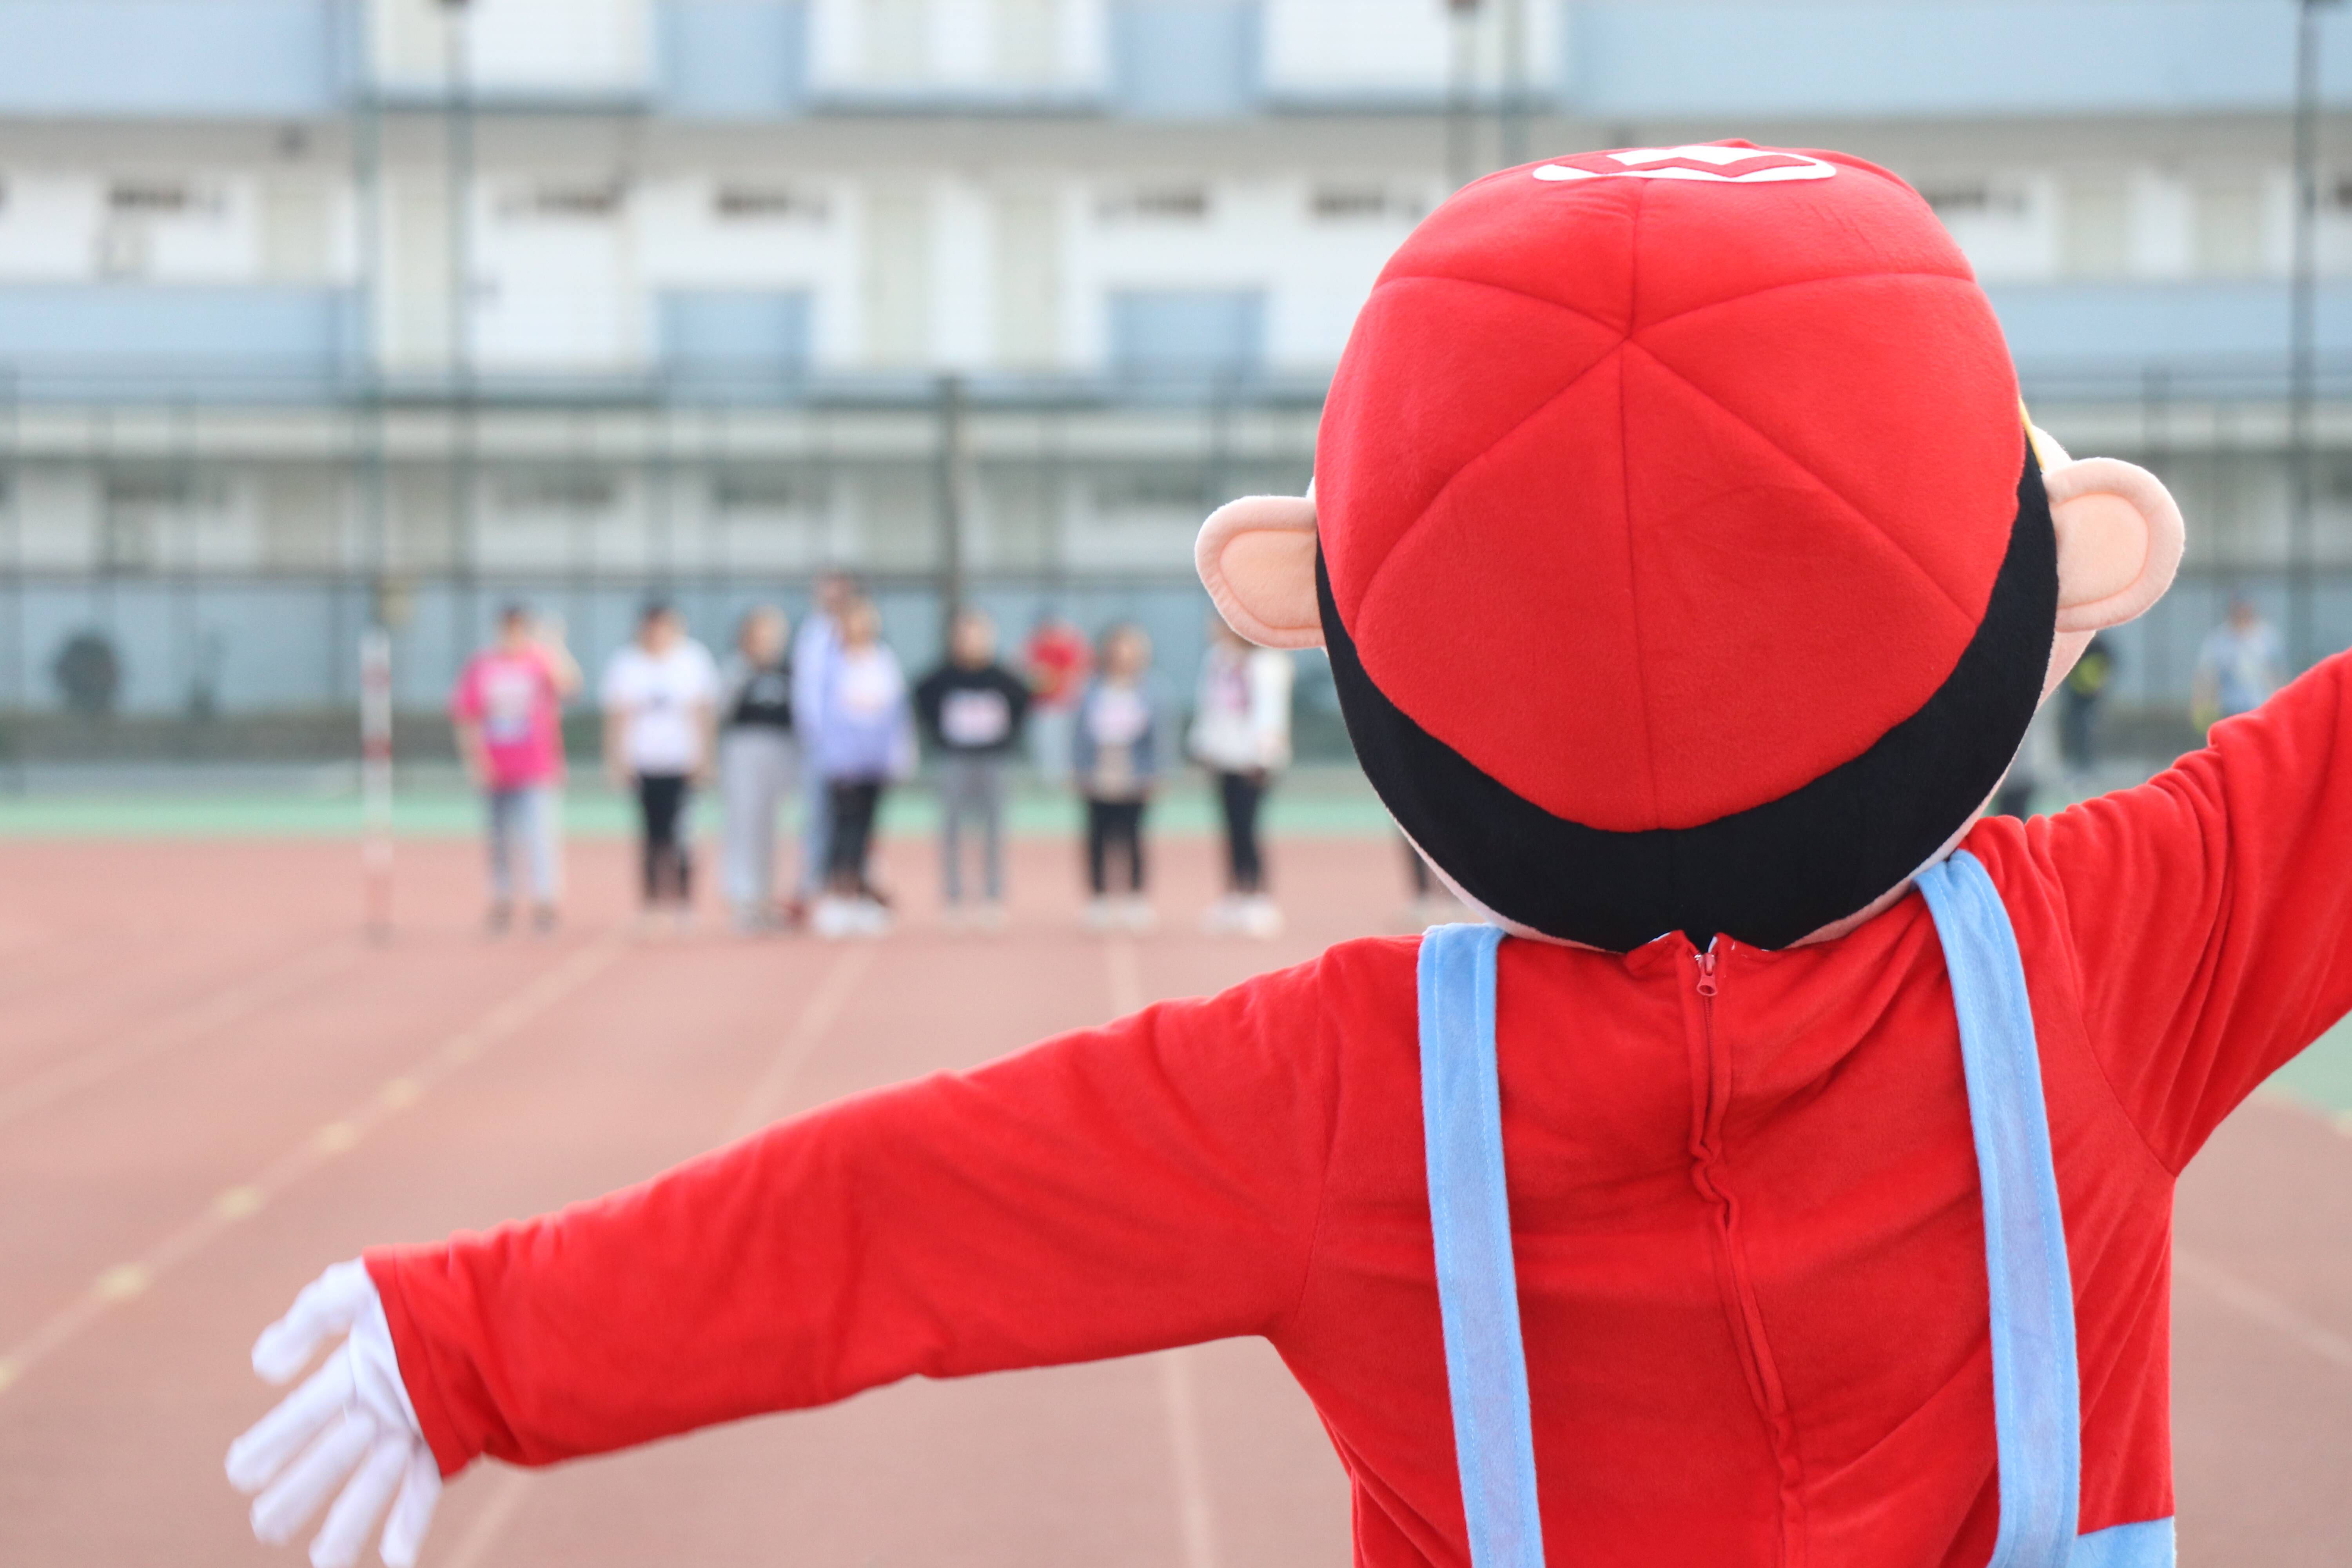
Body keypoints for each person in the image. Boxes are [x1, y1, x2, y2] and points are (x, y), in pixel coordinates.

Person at [238, 145, 2345, 1568]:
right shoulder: (2110, 956)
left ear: (1330, 615)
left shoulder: (1342, 1097)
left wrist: (480, 1339)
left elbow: (895, 1212)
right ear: (2057, 564)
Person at [447, 604, 579, 934]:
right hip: (497, 768)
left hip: (536, 767)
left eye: (519, 629)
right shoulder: (482, 666)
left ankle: (545, 902)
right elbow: (467, 717)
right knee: (499, 840)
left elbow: (570, 687)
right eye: (508, 628)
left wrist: (554, 646)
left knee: (540, 838)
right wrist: (477, 762)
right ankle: (502, 900)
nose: (512, 635)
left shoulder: (540, 662)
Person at [601, 603, 719, 931]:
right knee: (651, 837)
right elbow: (617, 716)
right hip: (644, 763)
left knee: (682, 835)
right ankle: (651, 904)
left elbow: (704, 713)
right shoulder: (627, 663)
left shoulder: (692, 660)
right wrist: (616, 761)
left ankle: (683, 902)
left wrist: (706, 759)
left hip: (681, 763)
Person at [914, 606, 1031, 929]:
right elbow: (921, 698)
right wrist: (940, 734)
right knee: (952, 829)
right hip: (955, 760)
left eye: (979, 635)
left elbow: (1024, 701)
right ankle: (953, 897)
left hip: (993, 760)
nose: (972, 642)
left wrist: (1006, 736)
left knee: (994, 829)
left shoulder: (1002, 678)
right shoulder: (942, 677)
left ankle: (992, 896)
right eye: (966, 636)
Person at [807, 597, 913, 939]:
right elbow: (820, 713)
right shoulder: (830, 663)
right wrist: (832, 753)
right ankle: (838, 896)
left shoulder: (883, 659)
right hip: (843, 761)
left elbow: (896, 711)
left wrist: (898, 755)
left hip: (875, 761)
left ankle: (863, 897)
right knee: (843, 830)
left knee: (867, 831)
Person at [1189, 614, 1294, 938]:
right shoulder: (1218, 660)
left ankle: (1258, 898)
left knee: (1249, 828)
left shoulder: (1267, 664)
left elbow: (1272, 712)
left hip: (1253, 761)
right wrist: (1203, 746)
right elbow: (1208, 706)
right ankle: (1233, 896)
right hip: (1224, 757)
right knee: (1230, 829)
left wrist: (1265, 757)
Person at [1070, 622, 1167, 933]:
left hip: (1134, 772)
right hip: (1100, 771)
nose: (1123, 654)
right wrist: (1079, 768)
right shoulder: (1091, 688)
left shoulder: (1151, 689)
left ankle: (1136, 898)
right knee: (1097, 837)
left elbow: (1161, 735)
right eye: (1118, 647)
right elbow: (1079, 732)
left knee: (1134, 837)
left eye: (1130, 647)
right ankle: (1099, 898)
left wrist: (1156, 772)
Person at [717, 606, 794, 933]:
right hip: (743, 749)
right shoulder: (736, 669)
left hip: (779, 750)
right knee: (744, 824)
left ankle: (766, 898)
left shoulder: (788, 671)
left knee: (770, 828)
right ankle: (743, 898)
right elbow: (719, 712)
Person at [790, 572, 857, 916]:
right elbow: (805, 687)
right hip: (817, 742)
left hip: (855, 743)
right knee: (817, 815)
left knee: (853, 816)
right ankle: (813, 884)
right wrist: (810, 730)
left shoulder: (860, 632)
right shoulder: (811, 632)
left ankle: (850, 885)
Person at [2192, 592, 2286, 735]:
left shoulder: (2267, 637)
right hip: (2230, 708)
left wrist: (2281, 705)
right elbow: (2208, 677)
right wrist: (2202, 705)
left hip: (2260, 706)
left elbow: (2277, 674)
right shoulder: (2219, 640)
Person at [1021, 613, 1091, 786]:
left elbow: (1076, 674)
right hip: (1043, 705)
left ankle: (1064, 778)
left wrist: (1057, 685)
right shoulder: (1037, 647)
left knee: (1063, 745)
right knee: (1044, 744)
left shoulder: (1066, 647)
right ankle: (1047, 779)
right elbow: (1028, 672)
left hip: (1064, 705)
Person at [2060, 630, 2115, 774]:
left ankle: (2087, 764)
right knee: (2076, 726)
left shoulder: (2099, 646)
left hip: (2091, 694)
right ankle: (2078, 763)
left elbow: (2109, 666)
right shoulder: (2080, 644)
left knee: (2087, 727)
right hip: (2077, 692)